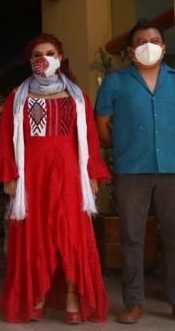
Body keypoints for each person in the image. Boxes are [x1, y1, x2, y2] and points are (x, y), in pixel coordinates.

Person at [0, 33, 109, 323]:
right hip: (32, 175)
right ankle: (35, 295)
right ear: (31, 62)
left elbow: (90, 140)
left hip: (70, 174)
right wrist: (10, 176)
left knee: (72, 234)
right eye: (38, 54)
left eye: (50, 53)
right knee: (34, 234)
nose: (44, 59)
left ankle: (72, 296)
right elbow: (6, 139)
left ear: (60, 57)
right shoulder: (17, 97)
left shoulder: (78, 96)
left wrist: (91, 176)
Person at [95, 19, 175, 323]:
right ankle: (133, 303)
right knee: (131, 237)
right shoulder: (116, 82)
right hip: (132, 169)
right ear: (130, 51)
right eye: (141, 42)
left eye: (154, 41)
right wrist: (125, 147)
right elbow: (102, 125)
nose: (149, 46)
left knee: (174, 235)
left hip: (173, 168)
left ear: (164, 48)